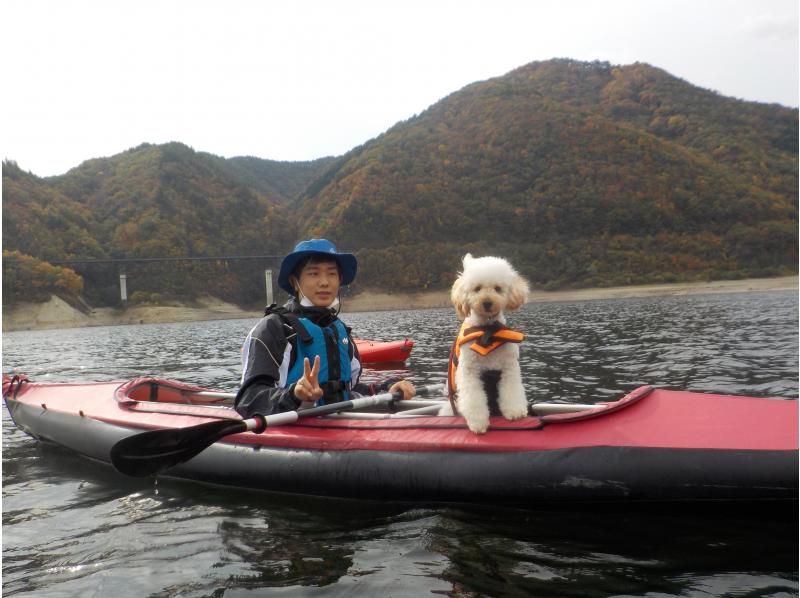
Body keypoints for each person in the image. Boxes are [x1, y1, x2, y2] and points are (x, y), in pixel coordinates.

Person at [235, 239, 416, 418]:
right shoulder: (273, 329)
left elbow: (349, 389)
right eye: (313, 274)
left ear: (340, 280)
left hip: (337, 426)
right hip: (292, 429)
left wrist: (386, 388)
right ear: (294, 281)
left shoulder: (340, 331)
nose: (324, 282)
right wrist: (294, 394)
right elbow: (249, 400)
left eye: (331, 274)